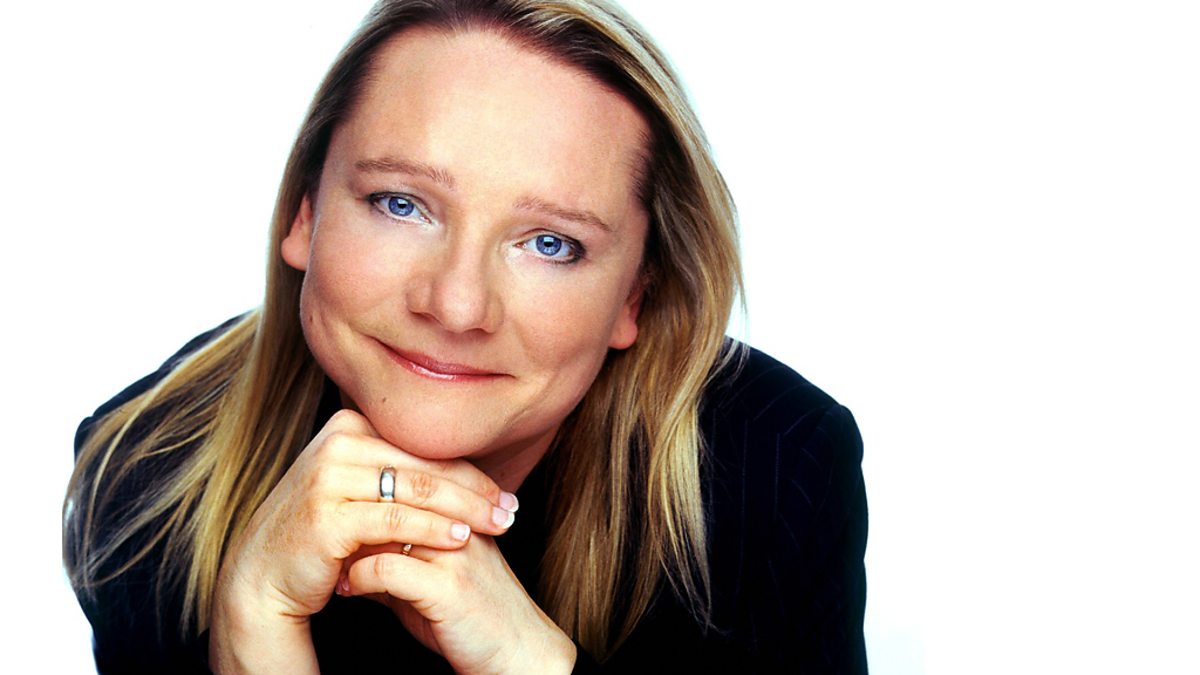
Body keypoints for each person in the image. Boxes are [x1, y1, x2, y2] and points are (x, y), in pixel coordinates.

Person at [63, 0, 868, 672]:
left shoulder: (777, 473)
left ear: (635, 296)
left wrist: (531, 662)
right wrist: (253, 630)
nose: (456, 305)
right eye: (401, 203)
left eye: (550, 243)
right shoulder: (149, 478)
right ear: (306, 212)